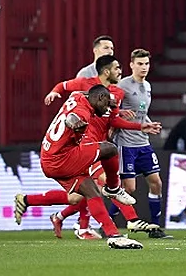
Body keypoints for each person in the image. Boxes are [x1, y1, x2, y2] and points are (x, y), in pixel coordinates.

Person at [32, 55, 161, 238]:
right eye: (117, 68)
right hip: (79, 149)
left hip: (73, 152)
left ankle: (103, 231)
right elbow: (70, 103)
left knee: (82, 194)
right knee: (107, 165)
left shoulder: (111, 93)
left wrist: (139, 126)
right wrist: (55, 94)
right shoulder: (86, 88)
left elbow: (113, 119)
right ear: (106, 71)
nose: (120, 72)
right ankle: (128, 217)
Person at [38, 85, 142, 249]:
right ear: (99, 98)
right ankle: (113, 188)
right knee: (110, 149)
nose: (107, 109)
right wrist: (72, 122)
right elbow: (73, 118)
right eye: (106, 104)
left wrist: (113, 102)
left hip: (48, 159)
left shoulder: (77, 95)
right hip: (62, 159)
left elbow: (82, 95)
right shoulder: (83, 113)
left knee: (90, 190)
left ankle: (114, 236)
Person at [110, 49, 172, 239]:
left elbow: (142, 114)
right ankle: (107, 221)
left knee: (156, 183)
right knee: (128, 189)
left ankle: (154, 227)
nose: (144, 67)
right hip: (126, 144)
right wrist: (119, 113)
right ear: (131, 65)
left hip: (143, 143)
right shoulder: (123, 86)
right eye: (140, 64)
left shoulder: (148, 86)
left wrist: (150, 124)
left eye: (146, 64)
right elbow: (111, 110)